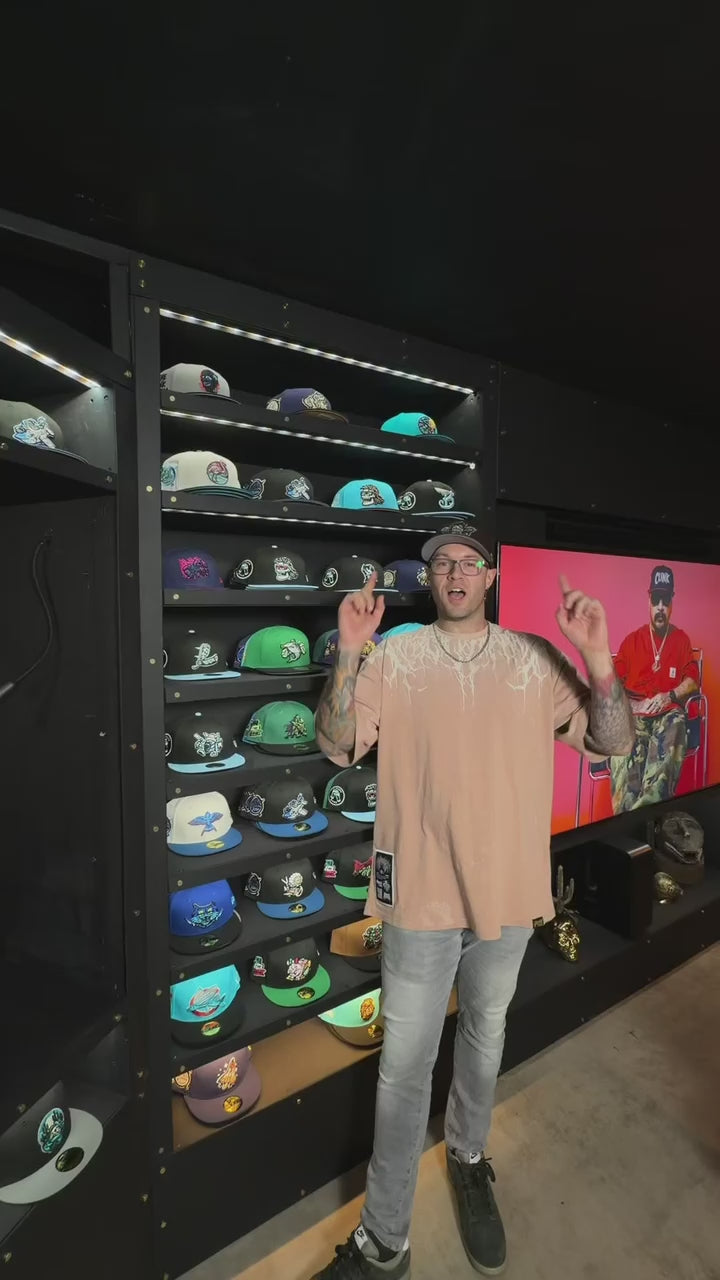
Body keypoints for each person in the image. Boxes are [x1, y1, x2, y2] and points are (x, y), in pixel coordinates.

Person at [312, 536, 635, 1279]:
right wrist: (350, 651)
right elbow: (335, 743)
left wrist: (597, 656)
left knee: (485, 1037)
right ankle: (384, 1240)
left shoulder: (533, 659)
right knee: (404, 1068)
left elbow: (614, 741)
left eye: (468, 562)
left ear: (489, 575)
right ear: (430, 578)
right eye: (442, 563)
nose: (455, 574)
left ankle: (466, 1156)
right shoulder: (394, 656)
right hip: (418, 896)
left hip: (509, 895)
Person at [609, 565, 699, 813]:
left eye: (665, 600)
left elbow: (693, 680)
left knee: (677, 722)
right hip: (634, 716)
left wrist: (670, 695)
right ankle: (627, 816)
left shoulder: (681, 640)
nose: (660, 606)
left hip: (667, 715)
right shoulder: (632, 641)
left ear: (671, 603)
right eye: (656, 599)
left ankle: (646, 812)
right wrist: (633, 705)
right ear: (649, 600)